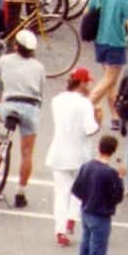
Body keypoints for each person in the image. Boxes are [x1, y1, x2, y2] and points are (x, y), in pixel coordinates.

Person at [0, 27, 45, 208]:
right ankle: (21, 192)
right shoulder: (39, 67)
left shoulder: (4, 61)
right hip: (31, 109)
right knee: (27, 153)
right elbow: (41, 92)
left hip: (9, 105)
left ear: (15, 46)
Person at [69, 132, 124, 255]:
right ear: (114, 151)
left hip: (86, 211)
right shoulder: (110, 173)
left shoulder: (87, 166)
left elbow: (76, 189)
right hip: (101, 216)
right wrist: (121, 178)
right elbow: (117, 197)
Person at [45, 69, 100, 245]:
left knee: (61, 193)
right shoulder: (85, 104)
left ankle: (60, 230)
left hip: (59, 153)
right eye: (87, 82)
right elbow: (90, 129)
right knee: (79, 191)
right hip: (79, 155)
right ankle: (72, 218)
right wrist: (98, 118)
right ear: (82, 83)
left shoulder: (57, 100)